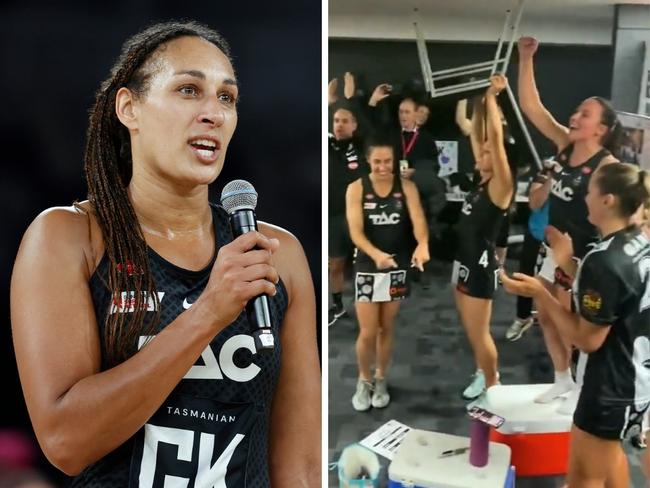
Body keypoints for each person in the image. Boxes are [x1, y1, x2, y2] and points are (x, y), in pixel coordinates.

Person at [10, 21, 320, 486]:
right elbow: (66, 444)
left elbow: (303, 464)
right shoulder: (68, 237)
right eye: (189, 90)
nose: (213, 113)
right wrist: (207, 314)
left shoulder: (278, 253)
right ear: (129, 108)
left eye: (227, 97)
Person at [501, 162, 650, 488]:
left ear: (608, 200)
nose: (584, 197)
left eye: (591, 190)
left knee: (582, 479)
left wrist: (541, 294)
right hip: (635, 380)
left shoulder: (604, 259)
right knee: (611, 463)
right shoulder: (637, 243)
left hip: (609, 388)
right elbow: (617, 298)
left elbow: (586, 340)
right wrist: (567, 260)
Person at [517, 35, 620, 414]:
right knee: (544, 314)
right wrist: (525, 59)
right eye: (577, 112)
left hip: (579, 258)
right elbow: (532, 107)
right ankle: (562, 379)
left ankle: (581, 387)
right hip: (551, 249)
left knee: (572, 323)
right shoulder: (563, 143)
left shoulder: (608, 167)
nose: (575, 118)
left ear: (601, 129)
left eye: (586, 115)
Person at [346, 136, 429, 411]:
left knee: (387, 327)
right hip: (369, 266)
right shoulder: (357, 188)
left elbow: (418, 221)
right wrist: (376, 255)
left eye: (387, 162)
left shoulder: (406, 187)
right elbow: (356, 232)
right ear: (369, 161)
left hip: (397, 266)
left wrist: (423, 244)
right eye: (378, 161)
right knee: (368, 330)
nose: (383, 167)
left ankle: (381, 377)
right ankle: (364, 378)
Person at [452, 75, 514, 406]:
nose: (481, 153)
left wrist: (492, 98)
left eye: (486, 153)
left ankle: (493, 385)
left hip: (480, 267)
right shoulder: (482, 178)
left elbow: (496, 142)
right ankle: (481, 371)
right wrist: (479, 100)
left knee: (481, 332)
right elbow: (479, 135)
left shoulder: (500, 186)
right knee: (471, 329)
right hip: (463, 261)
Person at [328, 73, 367, 326]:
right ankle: (338, 306)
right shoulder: (325, 145)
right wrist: (329, 102)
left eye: (345, 121)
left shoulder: (363, 147)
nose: (339, 125)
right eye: (335, 120)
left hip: (360, 217)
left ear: (354, 125)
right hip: (334, 216)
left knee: (366, 265)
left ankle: (367, 309)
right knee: (336, 265)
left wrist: (347, 98)